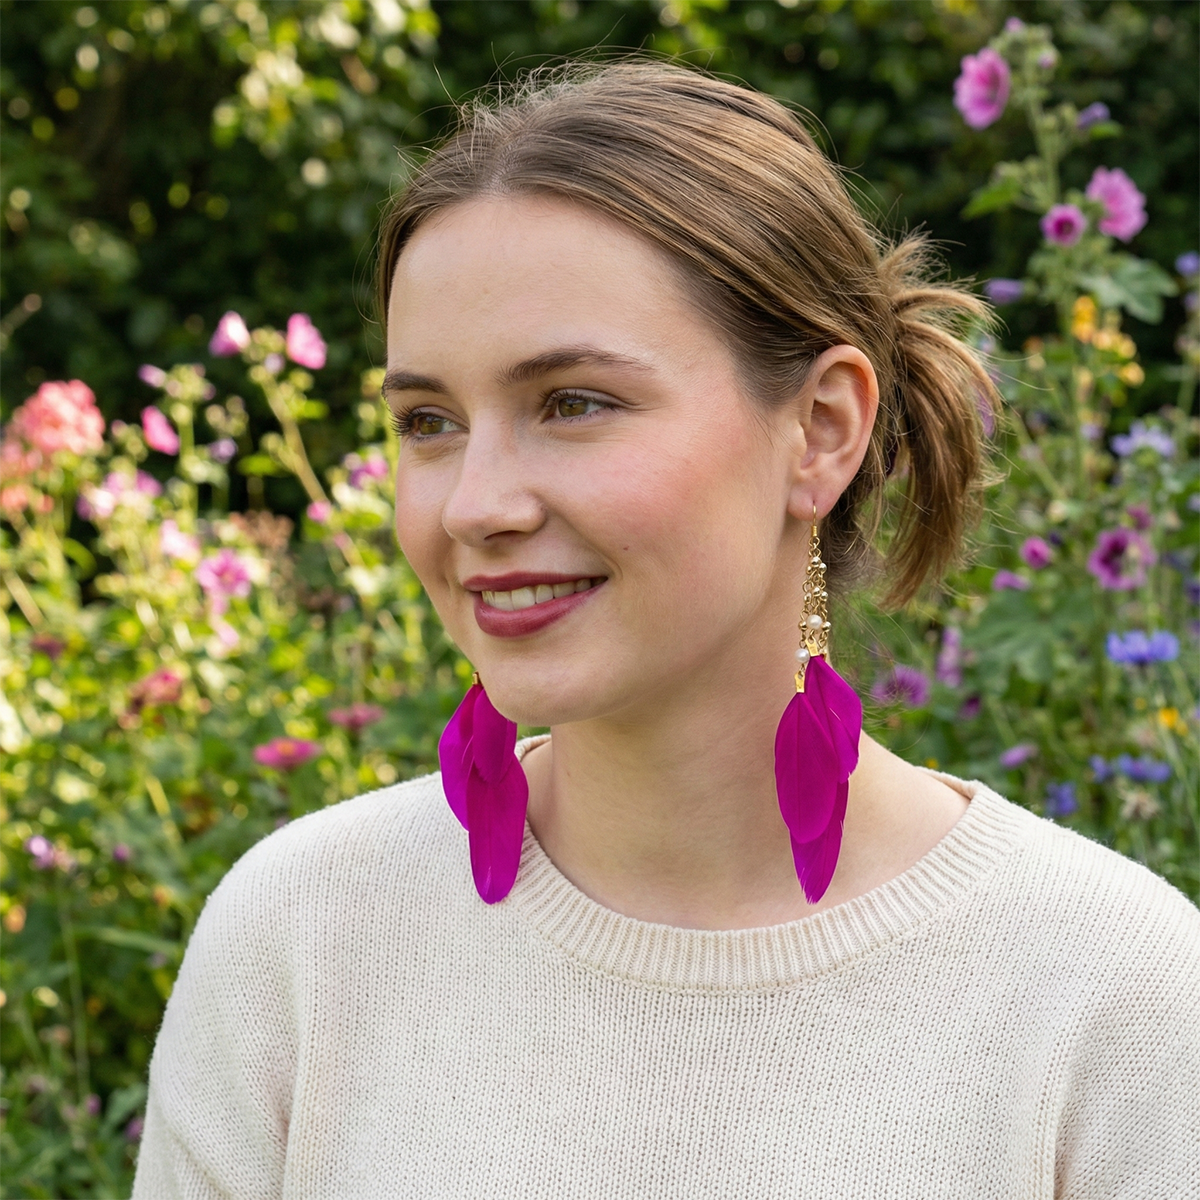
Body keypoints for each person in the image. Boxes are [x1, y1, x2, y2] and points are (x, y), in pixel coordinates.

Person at [133, 60, 1200, 1198]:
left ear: (822, 431)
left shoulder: (1112, 995)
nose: (477, 504)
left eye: (575, 402)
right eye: (429, 421)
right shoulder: (299, 942)